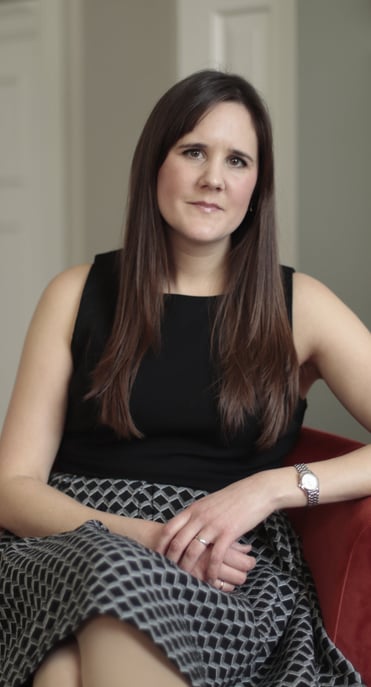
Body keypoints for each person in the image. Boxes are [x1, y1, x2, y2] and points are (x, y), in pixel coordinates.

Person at [0, 69, 370, 687]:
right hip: (65, 546)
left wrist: (273, 488)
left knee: (62, 672)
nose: (213, 179)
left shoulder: (298, 305)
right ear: (155, 164)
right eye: (193, 151)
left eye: (238, 161)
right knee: (106, 575)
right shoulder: (74, 294)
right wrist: (137, 538)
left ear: (258, 185)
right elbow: (12, 485)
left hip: (219, 571)